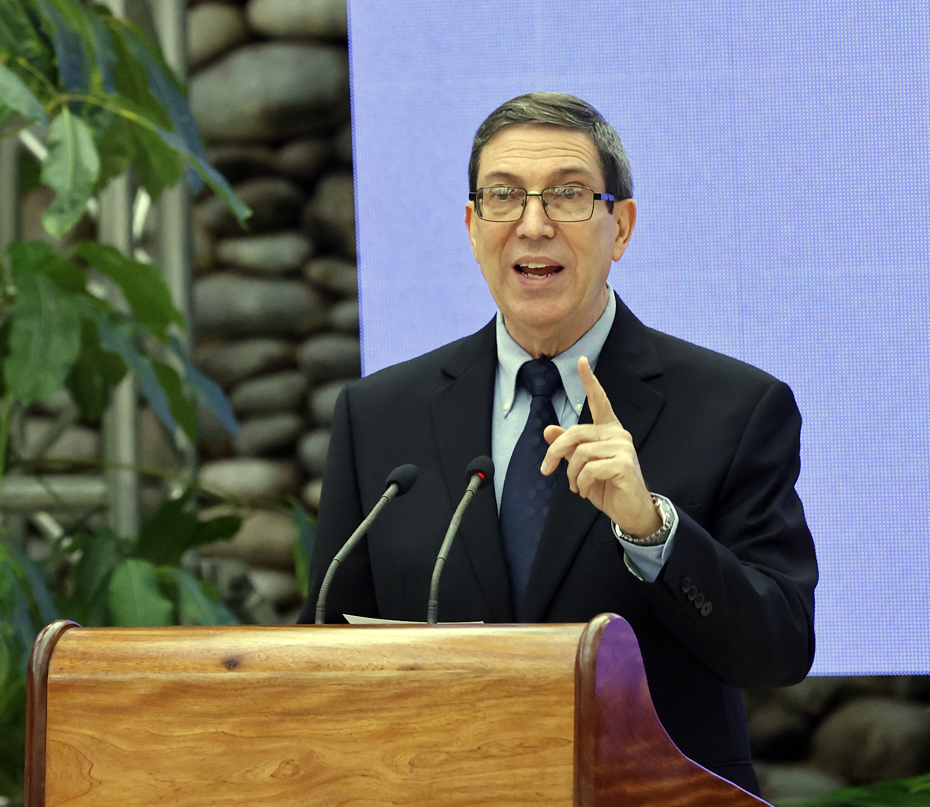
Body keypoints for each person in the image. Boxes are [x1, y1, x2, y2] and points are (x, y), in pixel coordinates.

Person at [297, 92, 818, 794]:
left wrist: (651, 528)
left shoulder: (735, 408)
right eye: (504, 197)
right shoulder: (379, 415)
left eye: (568, 194)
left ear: (621, 226)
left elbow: (778, 649)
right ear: (472, 226)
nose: (533, 225)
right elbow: (324, 648)